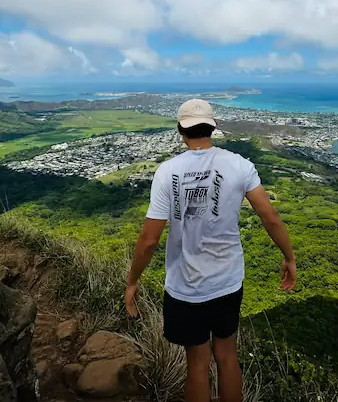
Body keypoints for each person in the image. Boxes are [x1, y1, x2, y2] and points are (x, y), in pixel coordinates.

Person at [125, 98, 296, 402]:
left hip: (185, 286)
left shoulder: (167, 171)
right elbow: (270, 217)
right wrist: (289, 256)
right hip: (228, 281)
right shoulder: (240, 165)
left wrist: (132, 280)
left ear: (181, 130)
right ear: (213, 128)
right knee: (227, 356)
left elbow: (149, 239)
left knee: (198, 365)